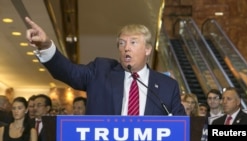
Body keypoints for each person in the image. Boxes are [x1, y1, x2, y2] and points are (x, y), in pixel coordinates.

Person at [25, 17, 186, 116]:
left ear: (148, 49)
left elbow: (181, 127)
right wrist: (45, 46)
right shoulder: (100, 70)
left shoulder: (167, 86)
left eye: (133, 42)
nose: (126, 48)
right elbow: (69, 72)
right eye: (122, 43)